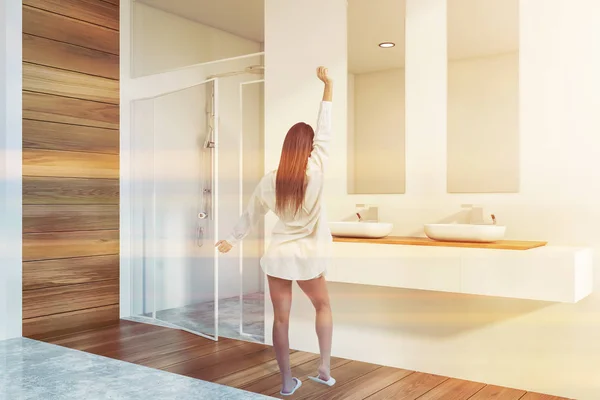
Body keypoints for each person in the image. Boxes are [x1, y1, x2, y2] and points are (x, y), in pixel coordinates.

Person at [216, 66, 335, 396]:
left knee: (280, 320)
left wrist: (230, 239)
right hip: (309, 256)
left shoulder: (270, 180)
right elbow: (325, 130)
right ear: (310, 148)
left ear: (286, 147)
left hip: (279, 255)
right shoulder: (317, 170)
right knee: (323, 307)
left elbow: (250, 213)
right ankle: (323, 368)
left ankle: (286, 383)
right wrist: (328, 86)